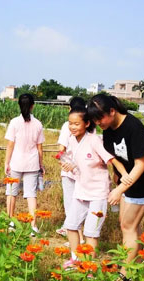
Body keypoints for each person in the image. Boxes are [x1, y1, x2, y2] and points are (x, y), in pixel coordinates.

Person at [87, 94, 144, 269]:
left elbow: (141, 164)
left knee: (128, 227)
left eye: (100, 118)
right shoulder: (109, 128)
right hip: (127, 182)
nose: (98, 123)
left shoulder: (133, 127)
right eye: (94, 120)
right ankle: (139, 263)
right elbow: (115, 156)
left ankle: (125, 272)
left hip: (141, 183)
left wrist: (119, 190)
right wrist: (117, 177)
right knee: (128, 226)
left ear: (112, 111)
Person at [61, 107, 128, 265]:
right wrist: (71, 167)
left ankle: (89, 267)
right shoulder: (72, 140)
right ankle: (75, 258)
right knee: (70, 225)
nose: (72, 127)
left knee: (91, 233)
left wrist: (125, 176)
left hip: (97, 193)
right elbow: (78, 162)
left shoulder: (94, 140)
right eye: (70, 123)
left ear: (87, 124)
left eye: (76, 123)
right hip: (80, 190)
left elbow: (111, 160)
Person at [4, 93, 45, 234]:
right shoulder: (38, 124)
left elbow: (10, 145)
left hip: (16, 162)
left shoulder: (14, 122)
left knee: (11, 193)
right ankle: (33, 226)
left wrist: (6, 162)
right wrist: (41, 165)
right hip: (32, 163)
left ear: (19, 105)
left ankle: (11, 222)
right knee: (31, 195)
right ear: (33, 106)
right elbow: (40, 148)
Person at [56, 96, 86, 243]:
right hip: (83, 171)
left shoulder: (66, 125)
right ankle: (79, 235)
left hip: (69, 170)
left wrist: (60, 157)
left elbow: (61, 148)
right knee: (81, 202)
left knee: (71, 203)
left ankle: (76, 237)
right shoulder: (88, 125)